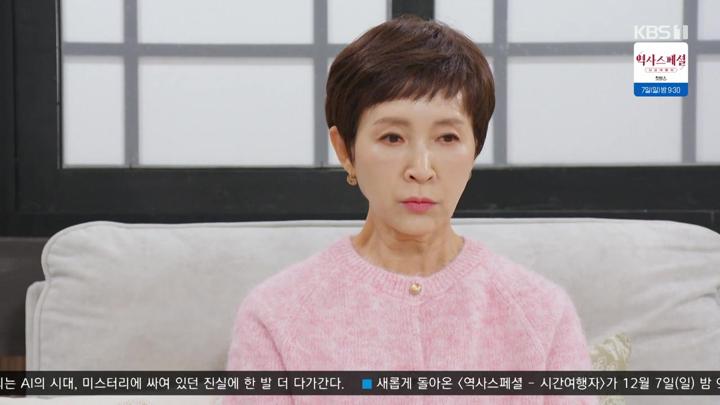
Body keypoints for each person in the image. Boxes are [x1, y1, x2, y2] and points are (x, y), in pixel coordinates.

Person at [223, 15, 597, 405]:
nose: (420, 168)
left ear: (475, 149)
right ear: (345, 150)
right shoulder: (276, 314)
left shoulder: (541, 312)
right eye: (392, 137)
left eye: (447, 137)